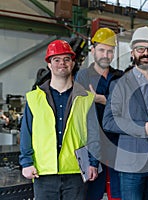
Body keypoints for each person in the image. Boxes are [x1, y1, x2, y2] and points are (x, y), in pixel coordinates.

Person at [19, 40, 101, 200]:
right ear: (49, 64)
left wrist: (93, 162)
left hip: (77, 171)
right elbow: (26, 133)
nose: (61, 63)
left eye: (66, 59)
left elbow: (94, 134)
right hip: (44, 172)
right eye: (56, 59)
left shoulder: (86, 98)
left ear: (73, 63)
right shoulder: (34, 98)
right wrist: (26, 162)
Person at [102, 26, 148, 200]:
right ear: (133, 52)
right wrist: (142, 129)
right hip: (132, 164)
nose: (146, 53)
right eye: (141, 49)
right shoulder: (119, 84)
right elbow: (109, 121)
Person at [75, 27, 123, 200]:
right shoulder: (83, 76)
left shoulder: (120, 77)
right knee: (91, 194)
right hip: (92, 146)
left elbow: (126, 109)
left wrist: (101, 99)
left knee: (117, 194)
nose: (106, 54)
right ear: (93, 50)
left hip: (117, 146)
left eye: (110, 51)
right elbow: (84, 117)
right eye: (102, 49)